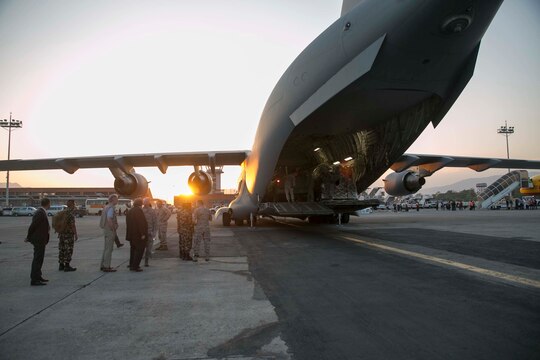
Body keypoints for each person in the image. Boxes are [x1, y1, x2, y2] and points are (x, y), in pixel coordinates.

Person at [25, 198, 51, 286]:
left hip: (41, 239)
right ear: (48, 203)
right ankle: (35, 279)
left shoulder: (41, 212)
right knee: (37, 259)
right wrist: (28, 237)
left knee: (40, 258)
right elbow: (33, 225)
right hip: (38, 239)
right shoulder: (40, 213)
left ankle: (38, 276)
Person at [126, 198, 148, 272]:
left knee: (133, 250)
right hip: (138, 235)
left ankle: (131, 264)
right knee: (139, 250)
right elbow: (140, 223)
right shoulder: (138, 211)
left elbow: (128, 224)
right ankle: (135, 266)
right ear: (140, 204)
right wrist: (143, 234)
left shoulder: (130, 211)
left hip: (131, 234)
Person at [99, 194, 119, 272]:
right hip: (109, 230)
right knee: (109, 249)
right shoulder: (111, 208)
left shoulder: (106, 207)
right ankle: (106, 266)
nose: (117, 201)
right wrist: (113, 228)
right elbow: (109, 219)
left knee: (106, 249)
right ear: (112, 200)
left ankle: (103, 265)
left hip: (106, 230)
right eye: (116, 199)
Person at [58, 199, 78, 272]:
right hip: (68, 234)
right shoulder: (70, 213)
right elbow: (73, 225)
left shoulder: (63, 212)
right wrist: (75, 234)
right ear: (72, 204)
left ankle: (61, 265)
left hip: (62, 234)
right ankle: (67, 265)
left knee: (62, 249)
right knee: (68, 249)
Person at [142, 197, 158, 267]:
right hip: (142, 232)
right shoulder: (141, 211)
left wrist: (154, 232)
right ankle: (142, 259)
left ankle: (146, 261)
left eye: (146, 202)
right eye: (144, 202)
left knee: (149, 247)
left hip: (149, 232)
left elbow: (155, 222)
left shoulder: (152, 211)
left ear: (148, 203)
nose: (145, 203)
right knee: (142, 247)